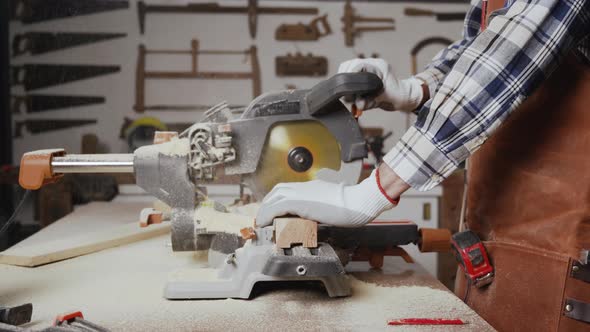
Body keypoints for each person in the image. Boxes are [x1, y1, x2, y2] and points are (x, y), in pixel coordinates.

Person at [257, 0, 590, 330]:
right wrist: (415, 90)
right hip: (490, 257)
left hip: (560, 269)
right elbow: (477, 49)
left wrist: (372, 192)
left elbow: (507, 59)